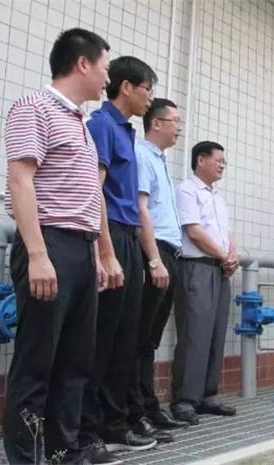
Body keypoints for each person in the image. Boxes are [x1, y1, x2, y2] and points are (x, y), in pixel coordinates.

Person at [2, 28, 110, 464]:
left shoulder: (82, 123)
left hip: (80, 250)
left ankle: (64, 452)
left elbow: (89, 197)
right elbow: (20, 180)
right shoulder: (34, 107)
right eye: (104, 68)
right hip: (49, 244)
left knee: (74, 362)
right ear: (83, 63)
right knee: (36, 363)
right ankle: (26, 459)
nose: (107, 78)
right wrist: (37, 254)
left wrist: (98, 253)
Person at [82, 56, 161, 453]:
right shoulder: (101, 125)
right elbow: (94, 190)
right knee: (102, 339)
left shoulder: (125, 131)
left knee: (124, 339)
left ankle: (115, 423)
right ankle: (89, 429)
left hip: (128, 239)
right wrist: (106, 251)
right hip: (109, 235)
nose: (151, 97)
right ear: (126, 86)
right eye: (147, 88)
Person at [127, 98, 189, 431]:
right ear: (156, 123)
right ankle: (135, 412)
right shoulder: (141, 154)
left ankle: (149, 407)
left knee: (150, 339)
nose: (179, 127)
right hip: (155, 253)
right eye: (174, 121)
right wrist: (153, 260)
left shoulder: (159, 160)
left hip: (170, 254)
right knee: (139, 337)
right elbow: (141, 210)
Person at [170, 141, 239, 425]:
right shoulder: (187, 190)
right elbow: (194, 232)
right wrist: (224, 255)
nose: (222, 165)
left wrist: (232, 255)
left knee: (215, 333)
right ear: (201, 160)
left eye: (224, 161)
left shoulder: (218, 198)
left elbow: (227, 233)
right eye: (218, 160)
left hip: (219, 270)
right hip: (196, 267)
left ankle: (208, 395)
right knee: (194, 333)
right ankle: (184, 400)